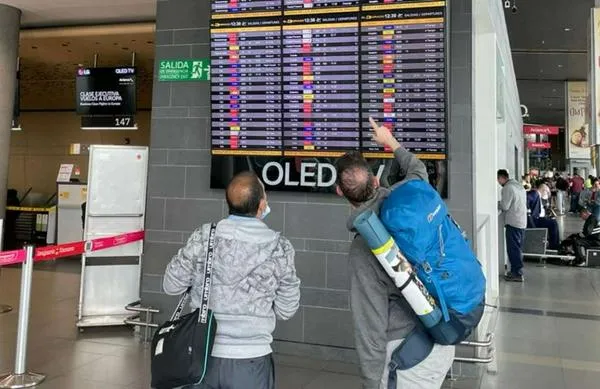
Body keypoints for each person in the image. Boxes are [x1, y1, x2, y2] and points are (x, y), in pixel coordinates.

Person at [335, 117, 455, 389]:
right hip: (443, 335)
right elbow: (418, 170)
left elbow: (370, 328)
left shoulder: (363, 250)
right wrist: (390, 142)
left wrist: (371, 381)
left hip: (408, 356)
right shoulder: (407, 197)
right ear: (376, 182)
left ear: (340, 192)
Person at [163, 171, 301, 389]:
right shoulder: (279, 248)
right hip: (252, 360)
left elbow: (171, 285)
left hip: (201, 357)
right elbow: (287, 309)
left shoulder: (204, 237)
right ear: (261, 205)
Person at [497, 169, 527, 282]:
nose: (498, 182)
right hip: (521, 221)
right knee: (517, 248)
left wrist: (496, 204)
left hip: (514, 222)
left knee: (513, 249)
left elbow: (505, 206)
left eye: (498, 179)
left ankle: (517, 273)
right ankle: (516, 271)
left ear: (501, 177)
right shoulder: (518, 186)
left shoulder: (508, 188)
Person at [526, 183, 560, 250]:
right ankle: (554, 246)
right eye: (547, 193)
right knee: (553, 223)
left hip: (537, 218)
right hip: (534, 220)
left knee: (553, 222)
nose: (547, 195)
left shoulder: (537, 195)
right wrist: (528, 211)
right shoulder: (534, 194)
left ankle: (555, 244)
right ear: (544, 190)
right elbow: (526, 200)